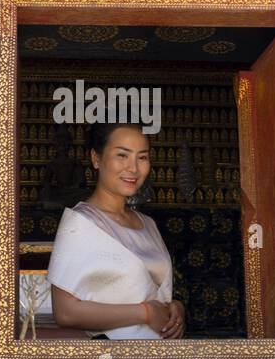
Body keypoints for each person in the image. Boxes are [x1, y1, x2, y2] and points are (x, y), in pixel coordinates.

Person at [47, 123, 184, 340]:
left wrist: (173, 308)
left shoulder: (147, 224)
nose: (133, 168)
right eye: (122, 155)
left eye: (142, 157)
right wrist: (145, 313)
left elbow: (150, 288)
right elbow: (65, 312)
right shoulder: (81, 223)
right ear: (96, 158)